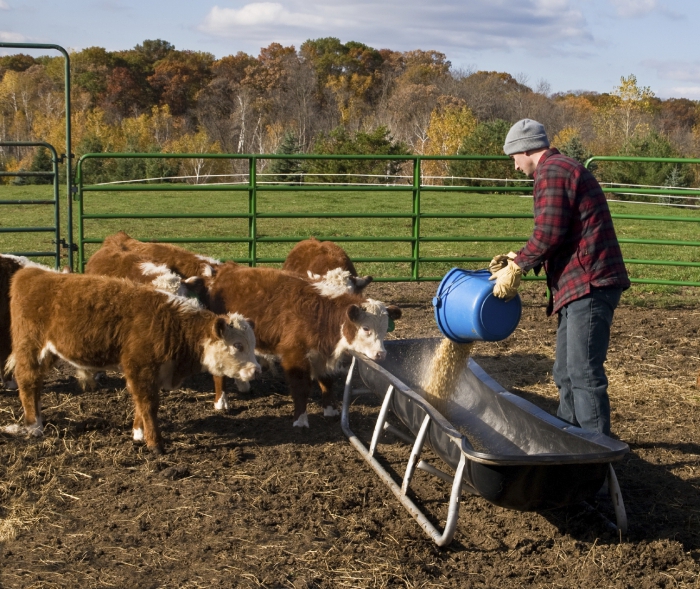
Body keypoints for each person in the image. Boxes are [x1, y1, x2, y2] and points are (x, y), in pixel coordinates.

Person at [489, 118, 630, 436]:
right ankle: (569, 446)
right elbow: (559, 232)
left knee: (582, 372)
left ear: (525, 149)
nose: (514, 167)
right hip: (580, 283)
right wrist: (519, 257)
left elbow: (549, 232)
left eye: (513, 157)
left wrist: (519, 266)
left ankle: (597, 460)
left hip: (589, 283)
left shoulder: (553, 171)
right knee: (565, 373)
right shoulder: (560, 169)